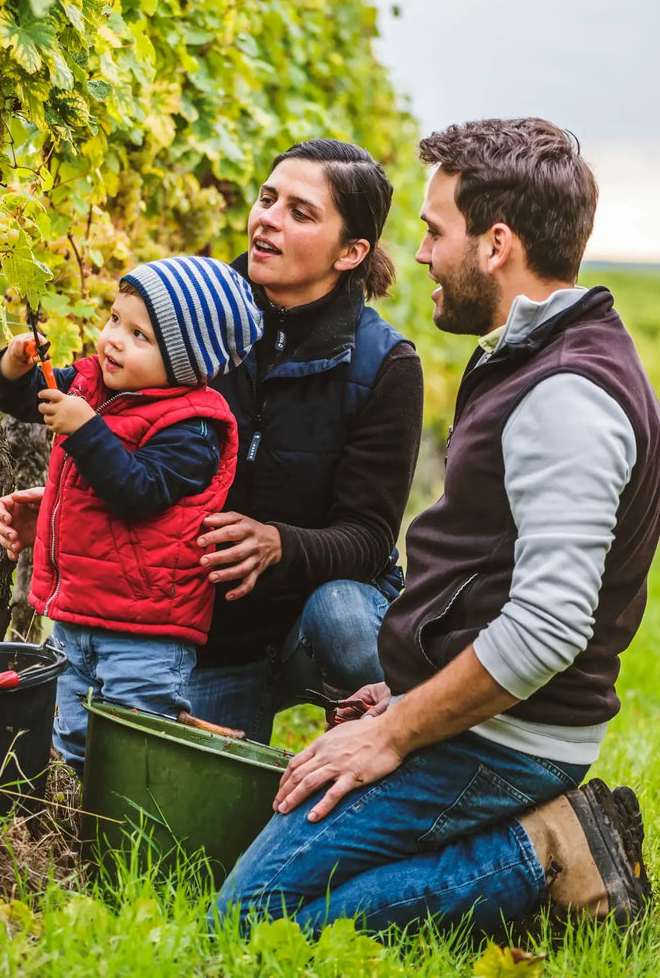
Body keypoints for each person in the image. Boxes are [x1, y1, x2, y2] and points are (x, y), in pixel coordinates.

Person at [213, 117, 660, 935]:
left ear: (495, 245)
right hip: (483, 710)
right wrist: (405, 690)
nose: (417, 254)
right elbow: (490, 585)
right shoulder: (536, 354)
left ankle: (548, 849)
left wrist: (396, 733)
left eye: (433, 230)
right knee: (268, 869)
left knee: (251, 922)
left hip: (513, 735)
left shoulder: (566, 397)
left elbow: (550, 628)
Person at [0, 139, 425, 745]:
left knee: (346, 618)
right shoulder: (188, 323)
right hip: (201, 630)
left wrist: (277, 544)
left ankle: (395, 741)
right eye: (267, 198)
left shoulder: (386, 366)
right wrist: (72, 501)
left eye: (301, 213)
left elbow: (370, 536)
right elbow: (137, 449)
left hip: (307, 621)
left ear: (351, 252)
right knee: (154, 800)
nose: (268, 218)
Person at [0, 256, 262, 770]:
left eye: (141, 335)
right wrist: (14, 366)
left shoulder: (193, 427)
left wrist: (87, 428)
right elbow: (19, 400)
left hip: (146, 632)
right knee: (71, 741)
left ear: (185, 363)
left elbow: (138, 492)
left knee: (131, 748)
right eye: (116, 319)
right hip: (77, 615)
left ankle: (123, 842)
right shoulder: (93, 387)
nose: (114, 338)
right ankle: (75, 841)